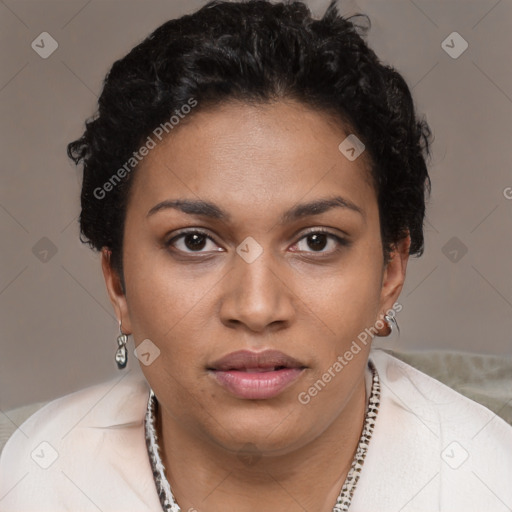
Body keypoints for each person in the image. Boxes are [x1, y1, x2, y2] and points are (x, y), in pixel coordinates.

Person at [1, 0, 511, 511]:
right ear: (118, 283)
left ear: (390, 272)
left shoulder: (488, 483)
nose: (257, 307)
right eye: (194, 241)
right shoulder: (32, 480)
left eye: (317, 241)